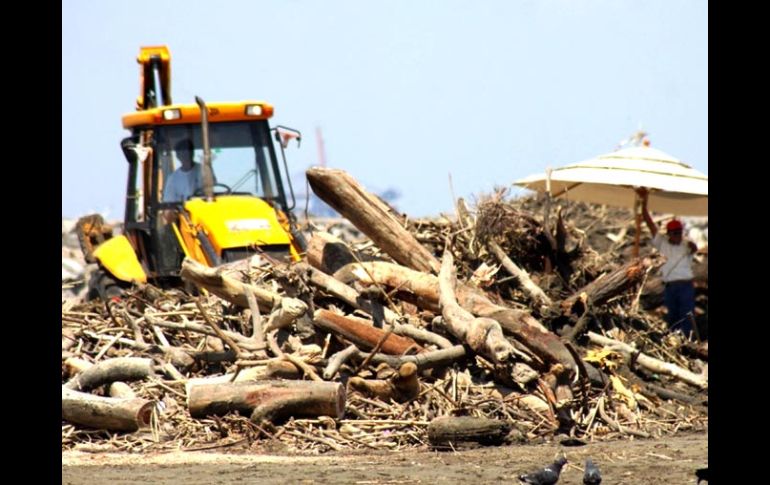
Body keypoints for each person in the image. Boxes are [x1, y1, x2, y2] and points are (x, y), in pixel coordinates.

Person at [637, 187, 698, 338]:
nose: (677, 235)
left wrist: (694, 247)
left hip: (686, 286)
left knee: (687, 315)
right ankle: (674, 340)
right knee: (673, 317)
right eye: (674, 233)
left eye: (679, 232)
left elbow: (695, 248)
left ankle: (686, 342)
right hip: (670, 286)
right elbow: (649, 222)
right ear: (669, 233)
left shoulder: (687, 245)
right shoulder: (662, 243)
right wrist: (644, 201)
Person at [163, 139, 204, 204]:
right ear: (177, 156)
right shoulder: (173, 179)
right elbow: (169, 203)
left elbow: (212, 191)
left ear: (192, 153)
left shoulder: (204, 170)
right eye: (182, 153)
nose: (186, 155)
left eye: (188, 151)